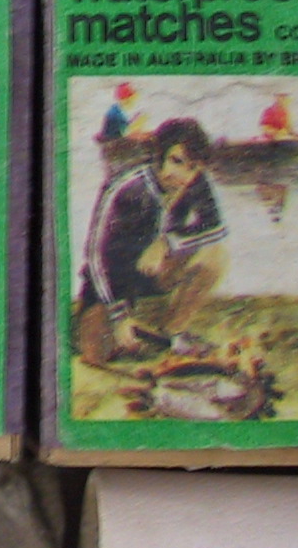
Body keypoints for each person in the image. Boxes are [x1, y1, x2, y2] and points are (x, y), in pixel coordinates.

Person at [76, 117, 231, 364]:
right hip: (112, 284)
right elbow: (95, 256)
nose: (182, 175)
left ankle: (173, 331)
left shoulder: (196, 181)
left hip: (153, 276)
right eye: (176, 161)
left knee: (216, 256)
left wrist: (167, 243)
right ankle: (116, 322)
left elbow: (217, 228)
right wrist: (119, 315)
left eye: (192, 167)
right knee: (98, 356)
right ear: (160, 155)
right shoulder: (128, 186)